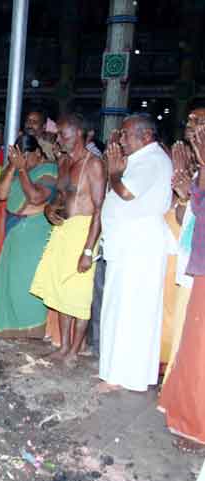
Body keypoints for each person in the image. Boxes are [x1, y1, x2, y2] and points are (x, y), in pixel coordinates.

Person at [98, 114, 172, 392]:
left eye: (126, 134)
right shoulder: (140, 159)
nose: (120, 139)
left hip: (140, 248)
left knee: (132, 313)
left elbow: (127, 192)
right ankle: (115, 372)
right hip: (127, 247)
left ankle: (124, 376)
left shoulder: (153, 160)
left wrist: (114, 173)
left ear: (145, 136)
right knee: (119, 310)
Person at [30, 114, 105, 362]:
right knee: (60, 290)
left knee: (79, 294)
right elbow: (61, 198)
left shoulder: (93, 164)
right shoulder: (63, 163)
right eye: (59, 135)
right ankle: (63, 346)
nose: (59, 139)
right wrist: (50, 208)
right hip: (63, 230)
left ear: (80, 134)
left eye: (64, 135)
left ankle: (74, 351)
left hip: (85, 231)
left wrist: (87, 251)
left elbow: (99, 209)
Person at [158, 115, 205, 452]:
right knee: (187, 344)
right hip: (193, 264)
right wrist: (187, 195)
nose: (193, 129)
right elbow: (185, 217)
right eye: (189, 124)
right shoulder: (198, 169)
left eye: (200, 124)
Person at [0, 134, 58, 337]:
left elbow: (36, 197)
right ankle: (10, 328)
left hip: (35, 233)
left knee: (26, 282)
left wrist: (20, 169)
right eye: (20, 157)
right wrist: (12, 167)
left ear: (38, 152)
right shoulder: (20, 170)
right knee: (9, 283)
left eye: (27, 157)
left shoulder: (49, 169)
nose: (24, 161)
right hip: (15, 232)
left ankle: (32, 331)